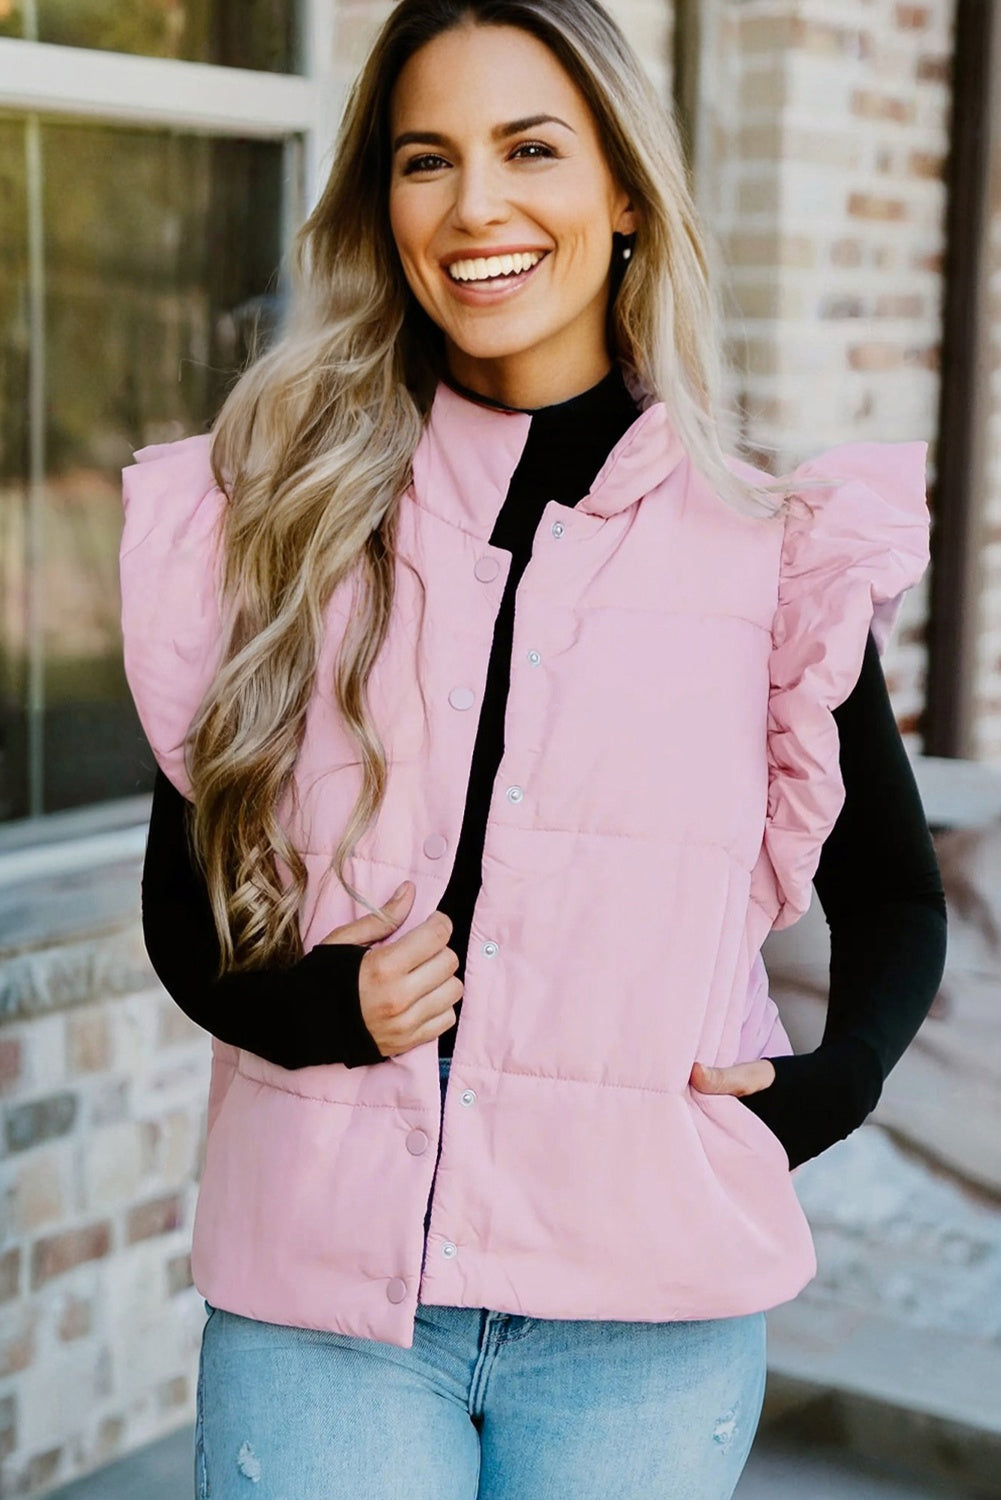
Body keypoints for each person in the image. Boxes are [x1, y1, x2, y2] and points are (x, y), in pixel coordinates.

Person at [119, 1, 947, 1495]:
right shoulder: (276, 517)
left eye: (530, 148)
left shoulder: (770, 554)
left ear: (623, 191)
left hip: (645, 1326)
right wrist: (323, 1009)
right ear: (383, 203)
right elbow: (182, 903)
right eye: (424, 158)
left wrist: (840, 1081)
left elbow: (893, 894)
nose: (475, 205)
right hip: (326, 1307)